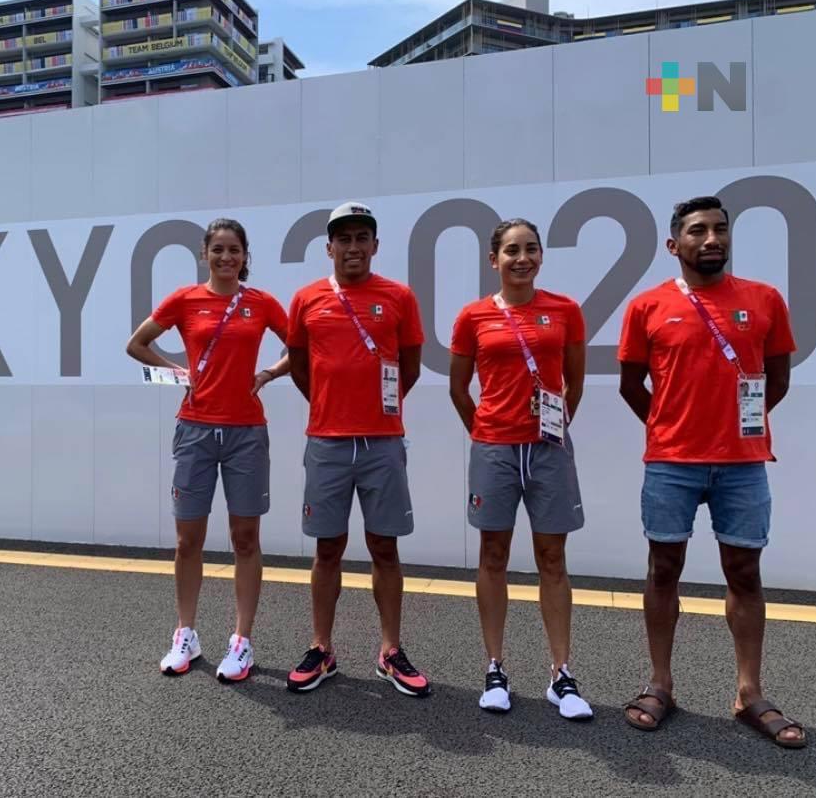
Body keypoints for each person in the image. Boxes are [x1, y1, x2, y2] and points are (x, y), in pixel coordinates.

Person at [618, 196, 806, 748]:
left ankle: (749, 693)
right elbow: (632, 383)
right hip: (671, 463)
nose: (712, 239)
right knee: (663, 570)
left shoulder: (764, 299)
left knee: (744, 573)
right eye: (698, 231)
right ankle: (660, 683)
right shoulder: (646, 306)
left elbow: (778, 378)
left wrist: (734, 427)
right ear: (675, 245)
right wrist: (670, 425)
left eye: (721, 229)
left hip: (743, 464)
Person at [127, 218, 290, 683]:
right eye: (217, 249)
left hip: (245, 433)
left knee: (244, 540)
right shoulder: (185, 299)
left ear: (245, 256)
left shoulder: (260, 304)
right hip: (195, 430)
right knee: (187, 541)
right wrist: (178, 370)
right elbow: (136, 344)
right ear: (205, 254)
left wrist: (270, 374)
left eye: (234, 249)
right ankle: (186, 634)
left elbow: (301, 345)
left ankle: (241, 641)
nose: (225, 257)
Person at [284, 202, 430, 697]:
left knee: (384, 548)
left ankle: (390, 650)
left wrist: (374, 411)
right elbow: (301, 367)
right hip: (325, 441)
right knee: (328, 549)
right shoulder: (305, 299)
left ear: (374, 245)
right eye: (342, 239)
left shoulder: (399, 297)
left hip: (382, 442)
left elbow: (409, 368)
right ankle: (321, 647)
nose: (352, 247)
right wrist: (331, 406)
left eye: (361, 238)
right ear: (329, 248)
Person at [449, 219, 592, 720]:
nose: (522, 258)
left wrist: (552, 425)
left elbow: (574, 382)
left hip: (548, 448)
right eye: (512, 250)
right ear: (495, 260)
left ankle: (562, 674)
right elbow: (458, 389)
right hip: (494, 448)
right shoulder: (472, 316)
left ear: (541, 256)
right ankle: (494, 667)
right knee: (493, 554)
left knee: (552, 558)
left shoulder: (565, 310)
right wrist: (486, 433)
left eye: (531, 249)